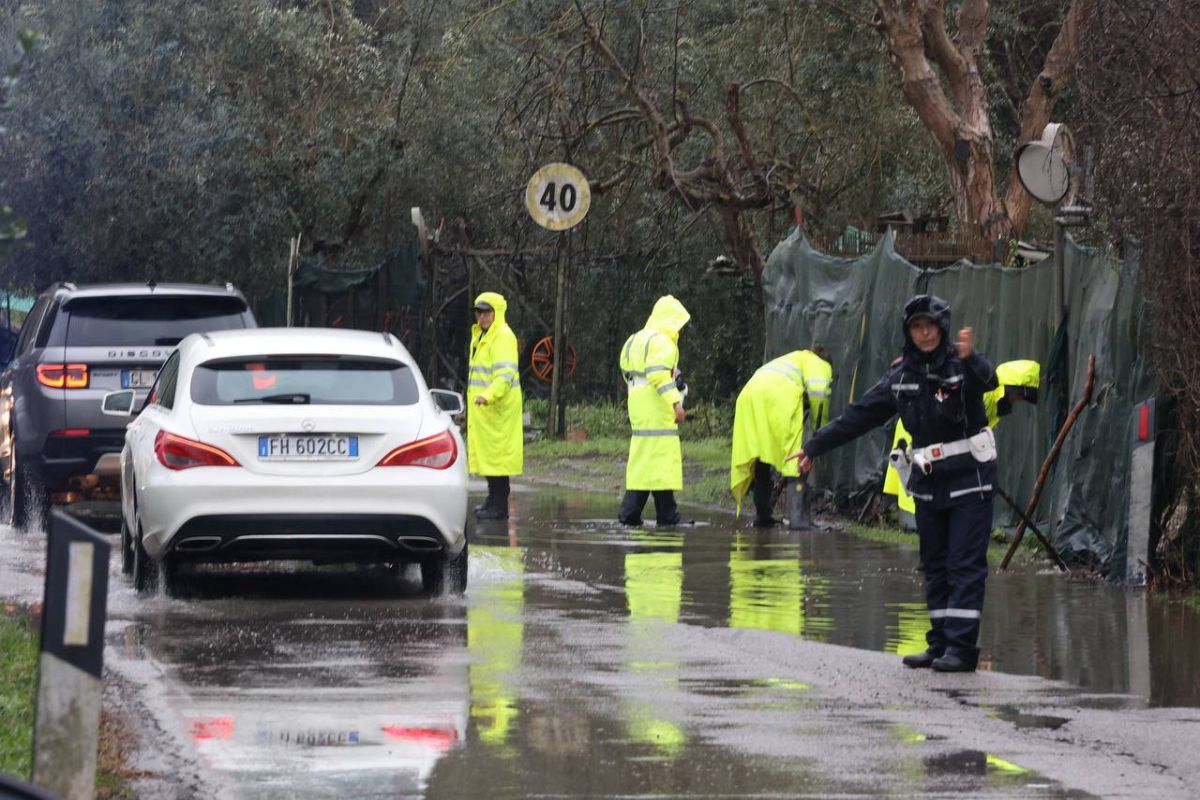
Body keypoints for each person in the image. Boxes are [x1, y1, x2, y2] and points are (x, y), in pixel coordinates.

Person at [790, 294, 999, 673]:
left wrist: (972, 359)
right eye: (917, 327)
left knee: (963, 564)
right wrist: (814, 446)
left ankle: (962, 648)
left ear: (942, 329)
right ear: (908, 332)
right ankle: (939, 643)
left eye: (930, 326)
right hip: (929, 483)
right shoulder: (901, 376)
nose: (924, 333)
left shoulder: (961, 364)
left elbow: (990, 381)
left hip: (970, 480)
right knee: (934, 564)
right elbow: (860, 416)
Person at [883, 359, 1041, 520]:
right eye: (1020, 394)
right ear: (1011, 388)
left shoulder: (995, 402)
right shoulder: (983, 393)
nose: (1019, 399)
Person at [729, 347, 832, 527]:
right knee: (795, 458)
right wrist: (819, 434)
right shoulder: (820, 363)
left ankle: (763, 516)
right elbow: (819, 393)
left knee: (762, 457)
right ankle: (798, 519)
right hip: (776, 400)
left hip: (748, 398)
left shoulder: (792, 358)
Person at [618, 295, 692, 527]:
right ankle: (666, 516)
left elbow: (627, 371)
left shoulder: (635, 339)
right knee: (661, 459)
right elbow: (658, 375)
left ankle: (633, 513)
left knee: (645, 460)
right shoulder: (663, 342)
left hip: (638, 406)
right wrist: (676, 403)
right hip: (657, 406)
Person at [467, 292, 523, 520]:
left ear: (497, 312)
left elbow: (505, 374)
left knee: (498, 459)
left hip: (498, 408)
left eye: (487, 312)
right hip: (486, 410)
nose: (482, 317)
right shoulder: (482, 335)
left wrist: (488, 396)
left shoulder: (502, 336)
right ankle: (492, 501)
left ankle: (499, 506)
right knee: (489, 458)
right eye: (479, 312)